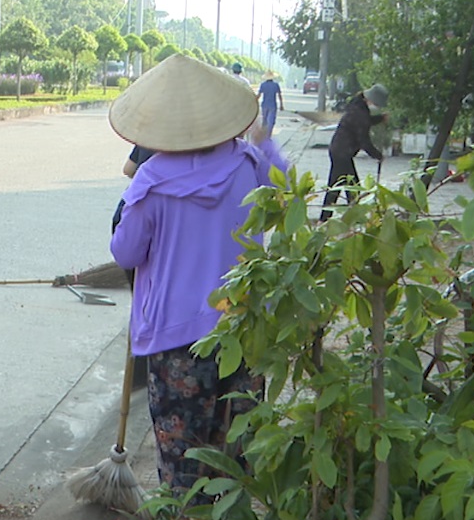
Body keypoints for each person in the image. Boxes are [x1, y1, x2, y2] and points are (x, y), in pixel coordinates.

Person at [108, 54, 291, 493]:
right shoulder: (249, 165)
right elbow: (286, 195)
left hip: (176, 343)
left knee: (182, 464)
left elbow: (126, 252)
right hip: (243, 331)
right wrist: (265, 143)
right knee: (235, 459)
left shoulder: (151, 181)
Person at [320, 83, 389, 221]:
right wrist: (377, 155)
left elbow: (365, 122)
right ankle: (350, 219)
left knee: (338, 186)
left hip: (339, 150)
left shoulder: (358, 105)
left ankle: (327, 219)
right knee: (351, 189)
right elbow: (364, 140)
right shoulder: (360, 113)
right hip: (343, 153)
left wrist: (380, 118)